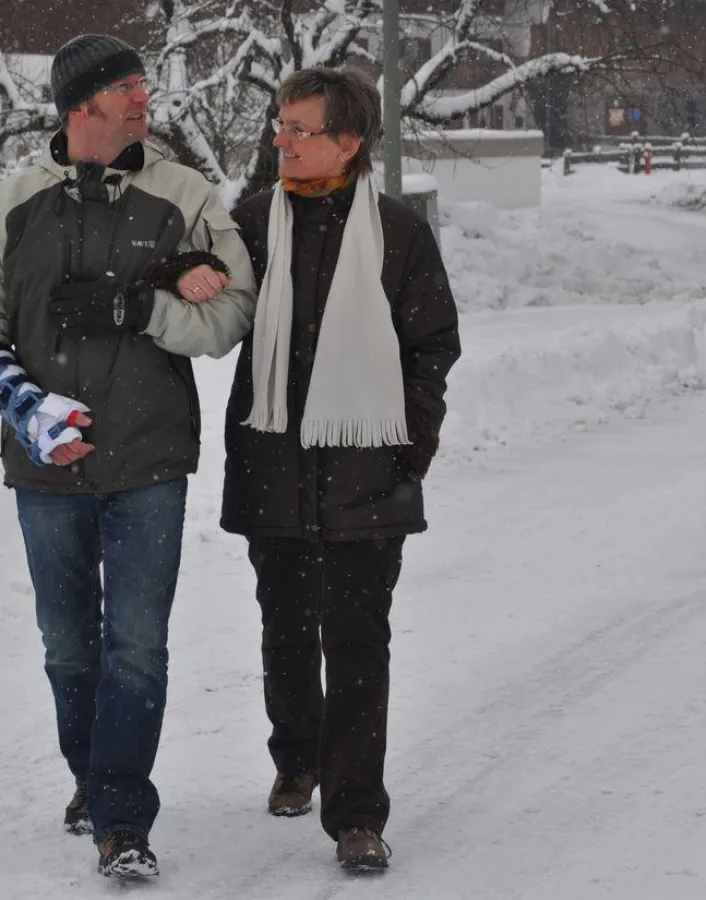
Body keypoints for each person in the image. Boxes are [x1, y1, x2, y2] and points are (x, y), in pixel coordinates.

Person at [0, 33, 254, 879]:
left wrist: (139, 309)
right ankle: (92, 776)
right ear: (80, 105)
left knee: (136, 645)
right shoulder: (12, 202)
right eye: (126, 88)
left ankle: (121, 817)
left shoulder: (184, 195)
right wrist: (26, 407)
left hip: (149, 458)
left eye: (142, 86)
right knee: (67, 646)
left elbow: (230, 317)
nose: (142, 100)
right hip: (46, 466)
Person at [221, 67, 461, 871]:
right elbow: (211, 310)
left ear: (348, 142)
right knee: (286, 628)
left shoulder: (397, 233)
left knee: (358, 643)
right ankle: (296, 757)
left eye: (299, 128)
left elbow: (432, 345)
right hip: (272, 465)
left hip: (369, 474)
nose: (280, 140)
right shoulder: (251, 224)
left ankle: (356, 813)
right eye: (279, 125)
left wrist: (406, 447)